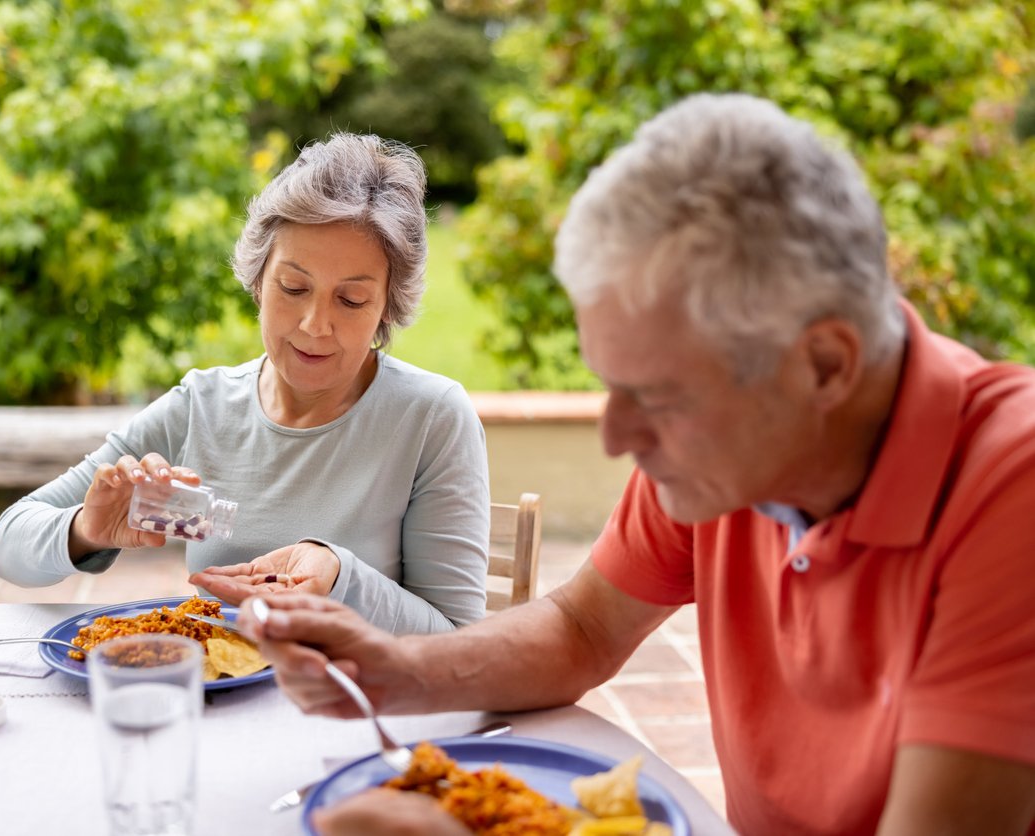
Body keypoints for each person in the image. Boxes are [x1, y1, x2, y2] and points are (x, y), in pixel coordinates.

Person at [240, 94, 1035, 835]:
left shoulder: (1012, 490)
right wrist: (394, 671)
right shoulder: (731, 450)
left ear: (824, 366)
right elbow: (582, 629)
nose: (617, 436)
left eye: (656, 394)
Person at [0, 133, 491, 634]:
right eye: (293, 288)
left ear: (387, 307)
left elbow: (460, 642)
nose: (315, 325)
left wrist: (338, 579)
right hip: (219, 701)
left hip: (356, 706)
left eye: (352, 300)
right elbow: (8, 545)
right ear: (257, 280)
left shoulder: (430, 418)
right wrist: (86, 530)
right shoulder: (202, 406)